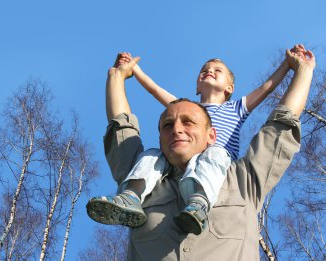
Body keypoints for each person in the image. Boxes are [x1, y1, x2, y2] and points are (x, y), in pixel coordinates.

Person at [87, 44, 315, 260]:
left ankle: (199, 201)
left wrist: (294, 68)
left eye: (188, 122)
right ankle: (131, 197)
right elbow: (124, 125)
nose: (177, 129)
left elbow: (279, 121)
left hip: (219, 163)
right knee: (151, 155)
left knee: (214, 154)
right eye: (168, 124)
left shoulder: (243, 179)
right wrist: (124, 74)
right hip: (158, 171)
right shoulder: (149, 167)